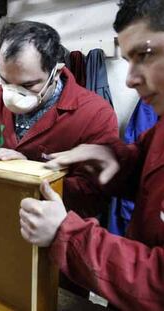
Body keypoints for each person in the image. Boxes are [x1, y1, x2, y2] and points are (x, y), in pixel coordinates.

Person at [19, 1, 164, 309]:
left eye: (145, 55)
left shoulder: (93, 110)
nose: (130, 79)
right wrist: (105, 156)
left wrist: (66, 234)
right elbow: (147, 161)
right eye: (128, 60)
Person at [0, 21, 118, 218]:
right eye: (6, 81)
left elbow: (94, 197)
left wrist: (30, 171)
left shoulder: (95, 113)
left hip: (54, 233)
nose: (13, 94)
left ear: (55, 73)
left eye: (28, 85)